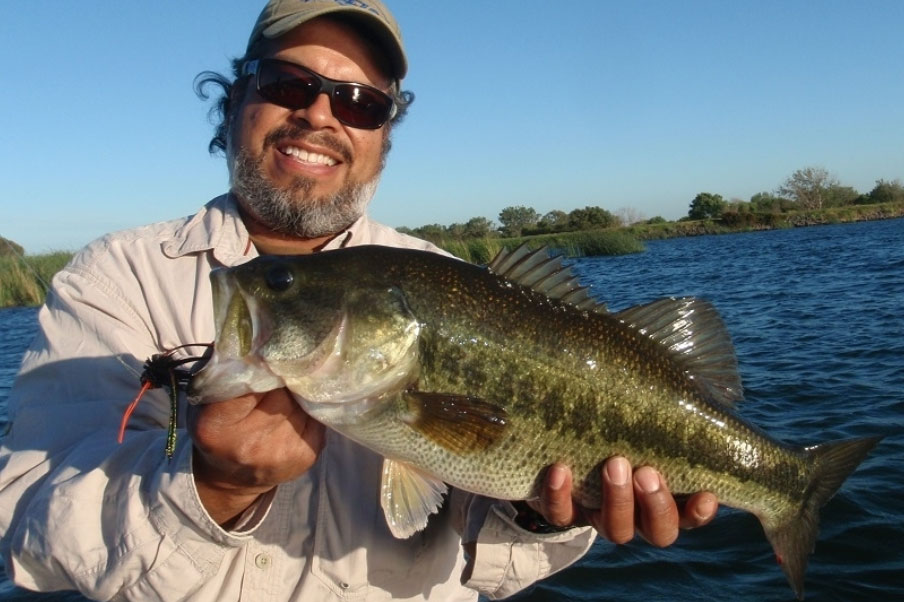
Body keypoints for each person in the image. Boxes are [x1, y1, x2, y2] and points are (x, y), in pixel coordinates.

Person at [0, 1, 718, 600]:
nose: (319, 115)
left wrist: (543, 519)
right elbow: (28, 538)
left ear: (382, 140)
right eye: (286, 84)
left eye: (360, 102)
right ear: (234, 101)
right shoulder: (115, 280)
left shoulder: (445, 279)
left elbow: (485, 560)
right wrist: (209, 488)